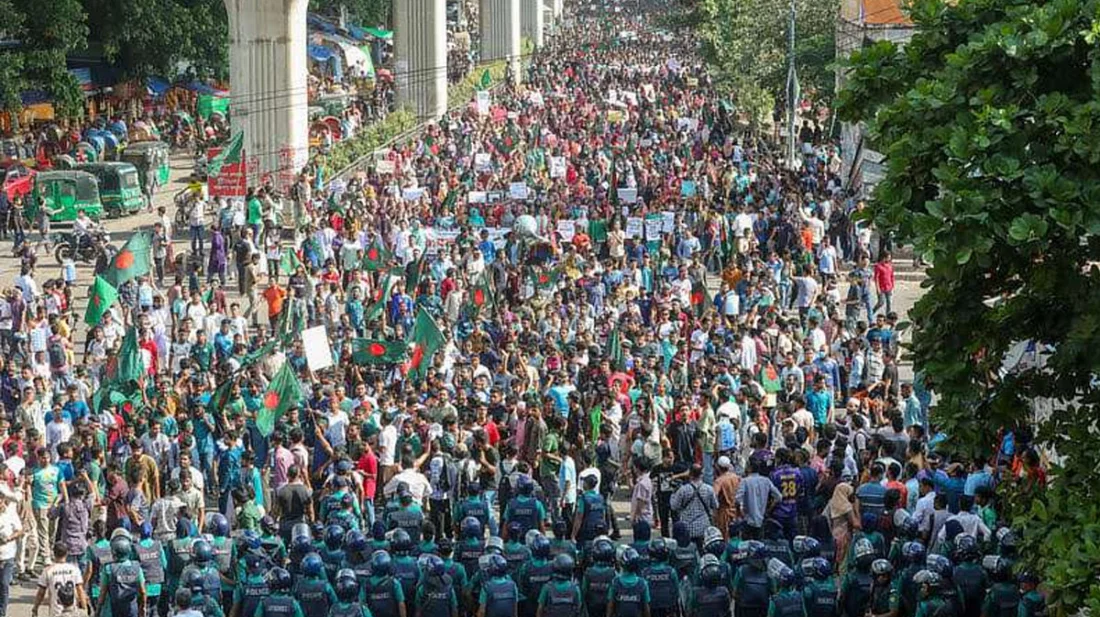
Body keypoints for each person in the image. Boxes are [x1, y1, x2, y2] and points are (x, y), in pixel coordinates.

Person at [33, 542, 88, 617]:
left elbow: (41, 593)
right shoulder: (74, 569)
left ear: (54, 553)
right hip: (72, 612)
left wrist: (35, 608)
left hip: (55, 612)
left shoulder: (48, 570)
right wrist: (85, 609)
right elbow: (80, 590)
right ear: (66, 553)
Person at [97, 534, 146, 617]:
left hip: (114, 610)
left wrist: (97, 611)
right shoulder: (137, 568)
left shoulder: (108, 568)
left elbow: (102, 594)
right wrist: (143, 608)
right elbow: (143, 591)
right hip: (132, 610)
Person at [669, 465, 717, 548]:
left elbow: (674, 506)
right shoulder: (709, 489)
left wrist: (673, 494)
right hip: (704, 528)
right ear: (702, 474)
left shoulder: (683, 490)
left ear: (690, 475)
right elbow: (715, 505)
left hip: (687, 529)